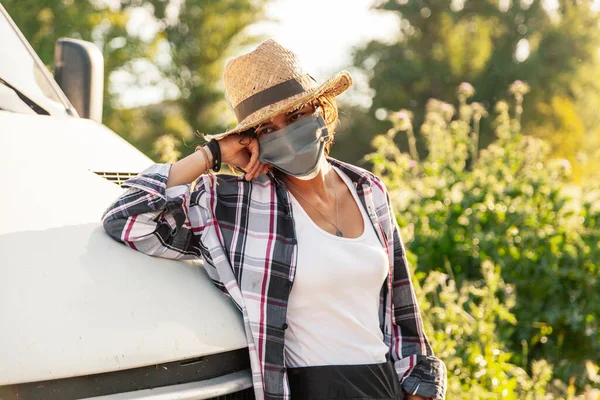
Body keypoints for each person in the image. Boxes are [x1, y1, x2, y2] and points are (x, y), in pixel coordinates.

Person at [102, 39, 447, 400]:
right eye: (268, 129)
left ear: (320, 110)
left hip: (385, 387)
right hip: (306, 389)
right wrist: (213, 153)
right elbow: (126, 219)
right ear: (252, 140)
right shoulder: (233, 203)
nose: (285, 133)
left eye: (296, 116)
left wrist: (420, 392)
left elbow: (404, 317)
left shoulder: (367, 189)